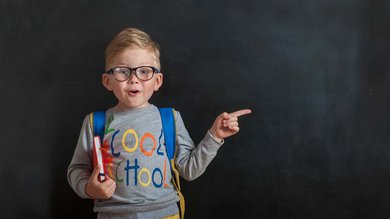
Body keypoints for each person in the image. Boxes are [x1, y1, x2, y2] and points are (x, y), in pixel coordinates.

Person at [67, 27, 251, 219]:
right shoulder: (95, 123)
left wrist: (214, 136)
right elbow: (77, 169)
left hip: (165, 214)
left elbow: (189, 170)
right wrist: (89, 189)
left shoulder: (169, 119)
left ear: (157, 80)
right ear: (107, 81)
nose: (134, 80)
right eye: (123, 72)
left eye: (144, 71)